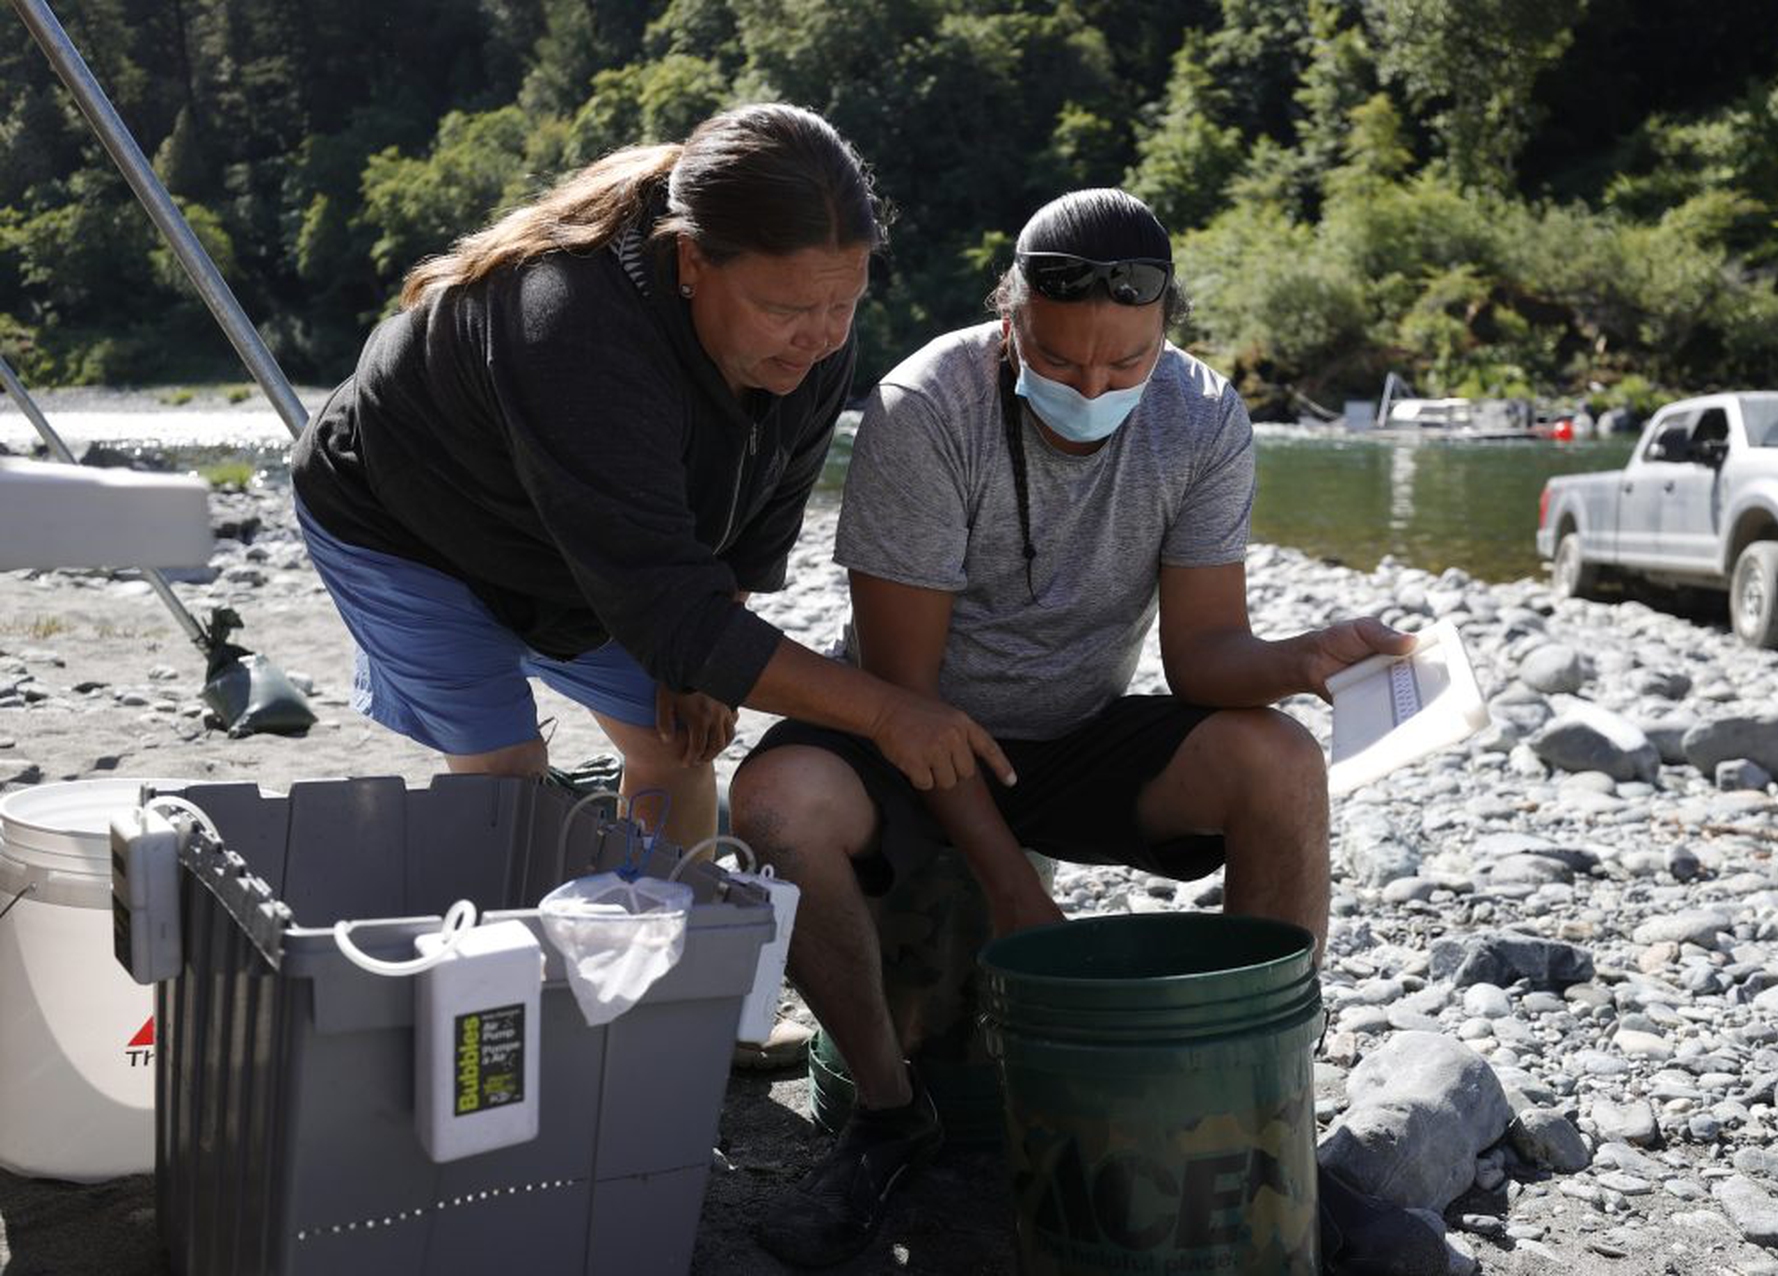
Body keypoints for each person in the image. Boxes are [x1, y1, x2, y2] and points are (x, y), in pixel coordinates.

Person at [729, 188, 1420, 1268]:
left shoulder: (1202, 414)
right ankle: (885, 1111)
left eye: (1125, 365)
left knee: (1278, 761)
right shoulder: (928, 406)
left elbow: (1201, 659)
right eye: (1059, 363)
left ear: (1165, 335)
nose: (1092, 388)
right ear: (1010, 321)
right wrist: (1014, 888)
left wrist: (1303, 661)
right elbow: (910, 704)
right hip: (909, 733)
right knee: (774, 801)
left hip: (1075, 730)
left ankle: (1271, 1123)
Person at [290, 103, 1013, 857]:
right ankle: (510, 963)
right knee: (506, 775)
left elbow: (759, 513)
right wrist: (889, 713)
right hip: (408, 525)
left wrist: (699, 661)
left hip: (586, 545)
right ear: (692, 260)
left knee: (679, 745)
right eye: (786, 308)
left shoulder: (812, 338)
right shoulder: (570, 326)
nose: (824, 336)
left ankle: (662, 945)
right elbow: (667, 608)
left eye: (844, 301)